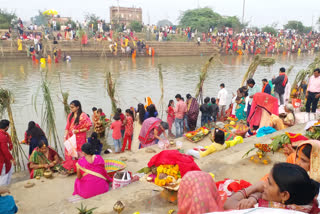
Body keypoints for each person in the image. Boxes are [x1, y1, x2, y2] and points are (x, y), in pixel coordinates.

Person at [224, 163, 320, 213]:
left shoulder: (265, 209)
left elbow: (228, 204)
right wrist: (254, 197)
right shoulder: (307, 201)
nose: (264, 184)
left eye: (269, 183)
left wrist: (253, 188)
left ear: (285, 195)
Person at [63, 100, 92, 172]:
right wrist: (65, 136)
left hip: (80, 137)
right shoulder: (70, 115)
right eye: (70, 107)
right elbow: (67, 127)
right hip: (71, 137)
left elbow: (87, 127)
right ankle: (75, 167)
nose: (71, 109)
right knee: (72, 152)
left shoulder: (83, 116)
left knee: (80, 152)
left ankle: (82, 167)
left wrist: (77, 131)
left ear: (77, 107)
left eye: (72, 107)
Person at [0, 120, 15, 186]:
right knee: (4, 174)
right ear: (6, 127)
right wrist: (12, 159)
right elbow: (5, 150)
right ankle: (3, 189)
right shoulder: (2, 136)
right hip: (2, 160)